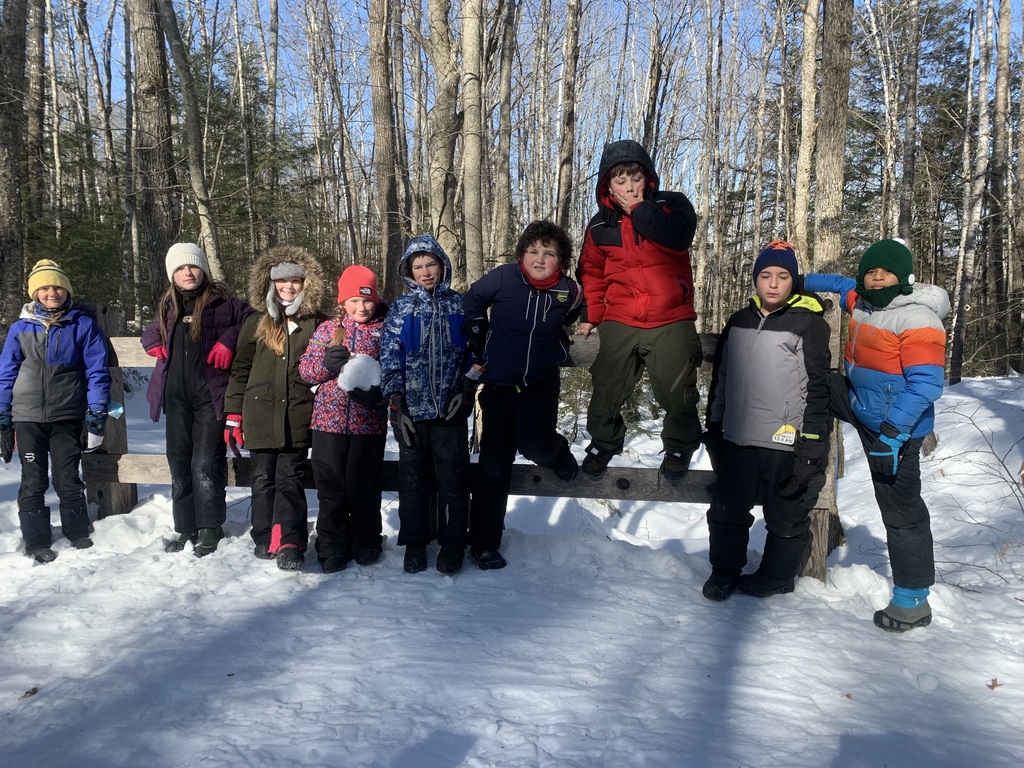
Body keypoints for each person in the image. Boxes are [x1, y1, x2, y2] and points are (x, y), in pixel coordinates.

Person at [804, 239, 949, 633]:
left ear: (904, 277)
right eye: (871, 270)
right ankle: (803, 444)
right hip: (862, 406)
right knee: (813, 379)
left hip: (896, 430)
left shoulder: (918, 320)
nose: (878, 276)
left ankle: (912, 599)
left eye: (887, 271)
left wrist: (891, 436)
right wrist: (795, 280)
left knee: (901, 510)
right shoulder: (865, 303)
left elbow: (925, 386)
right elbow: (837, 282)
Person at [701, 240, 831, 602]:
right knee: (726, 512)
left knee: (787, 515)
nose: (773, 284)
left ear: (794, 282)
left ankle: (776, 576)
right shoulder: (738, 321)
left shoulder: (809, 325)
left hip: (785, 443)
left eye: (783, 276)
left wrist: (811, 444)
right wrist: (714, 427)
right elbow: (722, 378)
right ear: (756, 280)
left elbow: (818, 388)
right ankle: (724, 572)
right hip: (738, 440)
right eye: (766, 275)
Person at [575, 139, 701, 484]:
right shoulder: (600, 226)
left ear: (648, 179)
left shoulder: (671, 206)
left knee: (678, 391)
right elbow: (591, 273)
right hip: (620, 317)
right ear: (607, 185)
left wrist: (638, 209)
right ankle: (603, 443)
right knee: (606, 388)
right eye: (621, 180)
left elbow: (678, 238)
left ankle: (679, 446)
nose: (630, 187)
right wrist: (591, 315)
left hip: (671, 316)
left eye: (635, 178)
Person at [464, 220, 583, 570]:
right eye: (533, 251)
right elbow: (473, 298)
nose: (540, 258)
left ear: (561, 259)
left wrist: (583, 325)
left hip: (540, 383)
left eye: (549, 253)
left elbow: (583, 310)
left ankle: (560, 456)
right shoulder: (504, 278)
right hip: (499, 385)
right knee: (493, 465)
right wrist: (476, 327)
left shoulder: (568, 290)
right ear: (521, 255)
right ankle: (484, 543)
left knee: (535, 443)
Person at [141, 243, 253, 557]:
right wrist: (151, 340)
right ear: (172, 274)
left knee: (205, 463)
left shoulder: (225, 303)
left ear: (203, 268)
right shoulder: (168, 304)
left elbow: (254, 322)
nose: (187, 273)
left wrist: (230, 341)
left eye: (192, 266)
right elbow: (152, 329)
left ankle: (209, 525)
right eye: (180, 268)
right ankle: (185, 525)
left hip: (211, 395)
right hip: (176, 396)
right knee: (179, 462)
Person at [0, 259, 111, 563]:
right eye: (45, 287)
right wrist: (3, 415)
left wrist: (97, 411)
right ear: (35, 292)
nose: (52, 292)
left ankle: (76, 529)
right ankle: (36, 537)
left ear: (66, 289)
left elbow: (97, 371)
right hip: (27, 417)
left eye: (58, 286)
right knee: (33, 478)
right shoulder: (20, 329)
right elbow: (6, 373)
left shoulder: (82, 325)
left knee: (66, 476)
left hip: (67, 414)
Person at [224, 246, 326, 571]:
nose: (288, 287)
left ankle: (291, 541)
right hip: (259, 415)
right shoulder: (256, 322)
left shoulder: (314, 323)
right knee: (262, 480)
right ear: (270, 283)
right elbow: (240, 370)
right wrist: (233, 415)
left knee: (290, 479)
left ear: (305, 284)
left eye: (295, 281)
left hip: (297, 414)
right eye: (282, 282)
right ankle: (264, 535)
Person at [379, 235, 471, 575]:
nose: (425, 272)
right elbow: (390, 356)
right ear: (408, 271)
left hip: (451, 411)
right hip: (412, 414)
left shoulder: (460, 305)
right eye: (417, 267)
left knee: (454, 480)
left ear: (442, 264)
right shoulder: (402, 309)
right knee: (412, 481)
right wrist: (396, 400)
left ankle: (453, 543)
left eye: (430, 264)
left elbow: (475, 351)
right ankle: (415, 544)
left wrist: (468, 388)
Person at [299, 265, 388, 573]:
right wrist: (326, 365)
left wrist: (382, 391)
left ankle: (366, 541)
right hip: (327, 423)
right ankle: (332, 544)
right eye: (354, 301)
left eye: (367, 300)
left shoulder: (386, 329)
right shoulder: (327, 329)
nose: (361, 307)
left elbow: (397, 370)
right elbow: (306, 371)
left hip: (369, 424)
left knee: (364, 486)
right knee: (331, 487)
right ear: (342, 302)